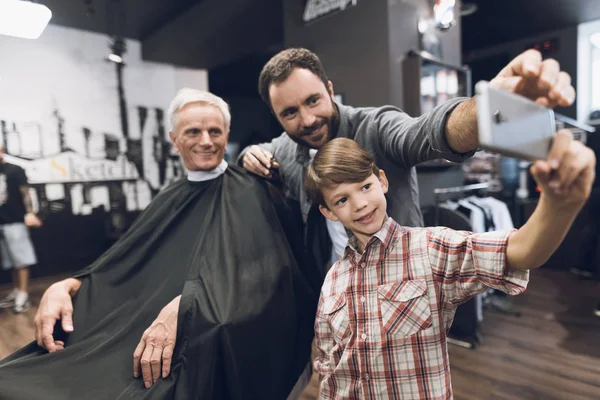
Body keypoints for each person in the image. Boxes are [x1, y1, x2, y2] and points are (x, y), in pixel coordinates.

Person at [0, 89, 319, 399]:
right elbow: (122, 264)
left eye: (214, 131)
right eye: (193, 131)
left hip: (201, 341)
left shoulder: (250, 189)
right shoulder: (169, 197)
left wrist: (188, 305)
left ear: (227, 133)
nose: (206, 141)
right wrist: (69, 284)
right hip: (135, 332)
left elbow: (260, 272)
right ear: (174, 140)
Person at [303, 136, 595, 399]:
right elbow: (329, 366)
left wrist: (559, 206)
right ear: (328, 212)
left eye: (365, 186)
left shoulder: (431, 249)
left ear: (382, 181)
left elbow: (518, 252)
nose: (360, 204)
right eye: (342, 199)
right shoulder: (333, 281)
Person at [240, 47, 576, 267]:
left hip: (401, 279)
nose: (307, 119)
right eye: (290, 112)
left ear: (329, 90)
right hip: (333, 288)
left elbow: (427, 132)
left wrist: (484, 112)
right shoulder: (285, 148)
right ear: (276, 116)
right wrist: (248, 154)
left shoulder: (376, 126)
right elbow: (258, 154)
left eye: (313, 101)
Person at [0, 144, 42, 313]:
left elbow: (26, 193)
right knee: (11, 261)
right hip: (1, 223)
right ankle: (17, 290)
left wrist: (30, 213)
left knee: (21, 260)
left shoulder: (15, 170)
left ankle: (23, 295)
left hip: (15, 221)